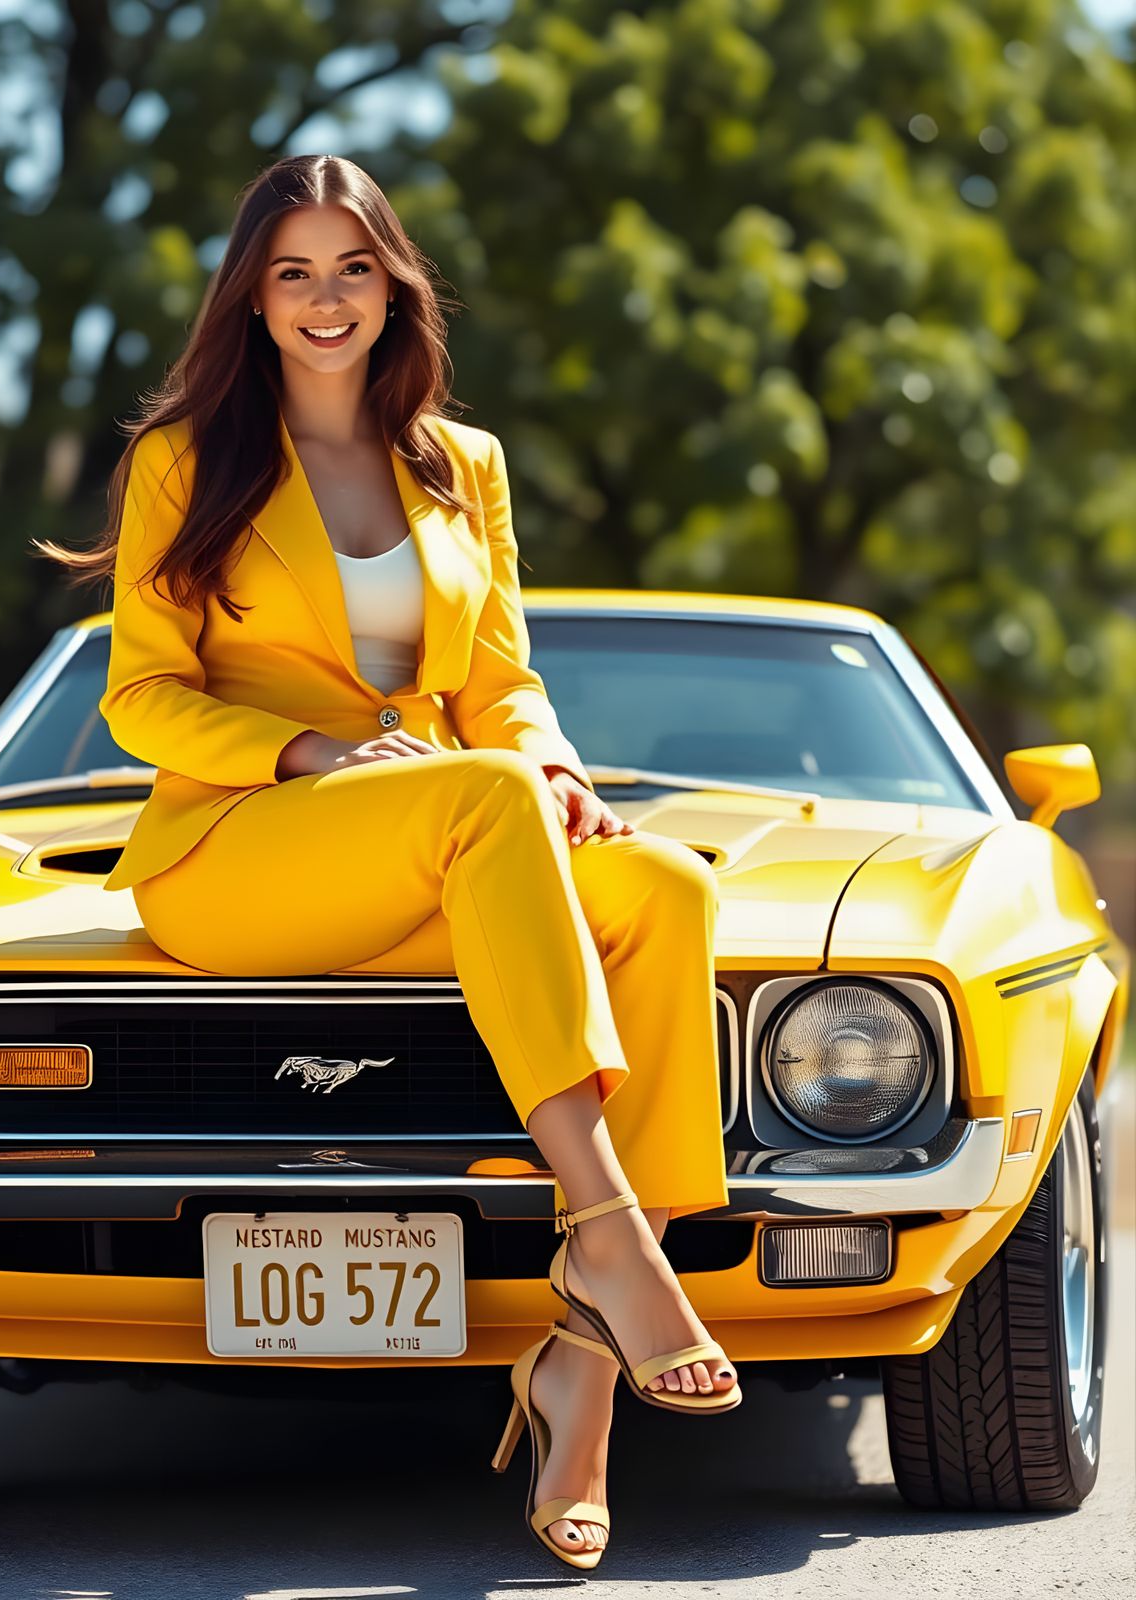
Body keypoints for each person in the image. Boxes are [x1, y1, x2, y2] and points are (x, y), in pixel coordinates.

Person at [36, 153, 739, 1571]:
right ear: (252, 299)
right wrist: (309, 755)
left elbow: (503, 683)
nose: (324, 298)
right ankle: (607, 1235)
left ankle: (579, 1383)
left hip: (436, 832)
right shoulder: (186, 459)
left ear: (392, 284)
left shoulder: (460, 466)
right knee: (480, 800)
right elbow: (140, 695)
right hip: (238, 852)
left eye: (351, 268)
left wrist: (556, 771)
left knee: (670, 890)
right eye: (291, 271)